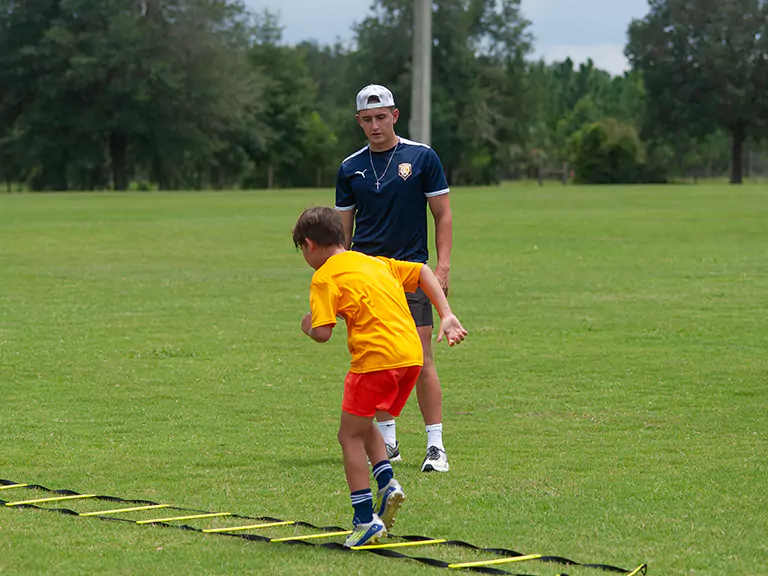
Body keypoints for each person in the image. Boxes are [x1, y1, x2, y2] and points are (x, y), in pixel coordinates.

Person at [293, 206, 467, 547]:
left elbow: (323, 332)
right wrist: (445, 314)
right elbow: (422, 272)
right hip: (411, 357)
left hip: (376, 361)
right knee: (362, 422)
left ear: (310, 245)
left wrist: (306, 326)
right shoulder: (374, 262)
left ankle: (363, 520)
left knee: (348, 437)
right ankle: (386, 482)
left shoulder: (324, 276)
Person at [335, 84, 454, 472]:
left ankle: (435, 445)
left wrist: (443, 267)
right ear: (359, 121)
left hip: (411, 273)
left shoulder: (421, 157)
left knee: (419, 360)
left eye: (381, 117)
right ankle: (388, 439)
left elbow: (443, 216)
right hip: (368, 281)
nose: (374, 126)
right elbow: (342, 233)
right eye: (367, 119)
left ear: (395, 116)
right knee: (377, 360)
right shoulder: (349, 167)